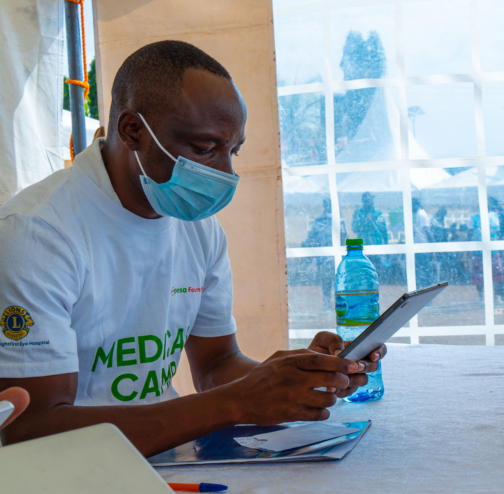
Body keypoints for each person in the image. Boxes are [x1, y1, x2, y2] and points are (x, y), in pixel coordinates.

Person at [0, 41, 384, 457]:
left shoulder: (199, 230)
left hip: (169, 461)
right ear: (133, 130)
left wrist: (288, 379)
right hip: (67, 485)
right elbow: (32, 428)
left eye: (231, 152)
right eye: (204, 149)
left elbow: (217, 365)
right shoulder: (36, 234)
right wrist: (236, 401)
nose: (224, 174)